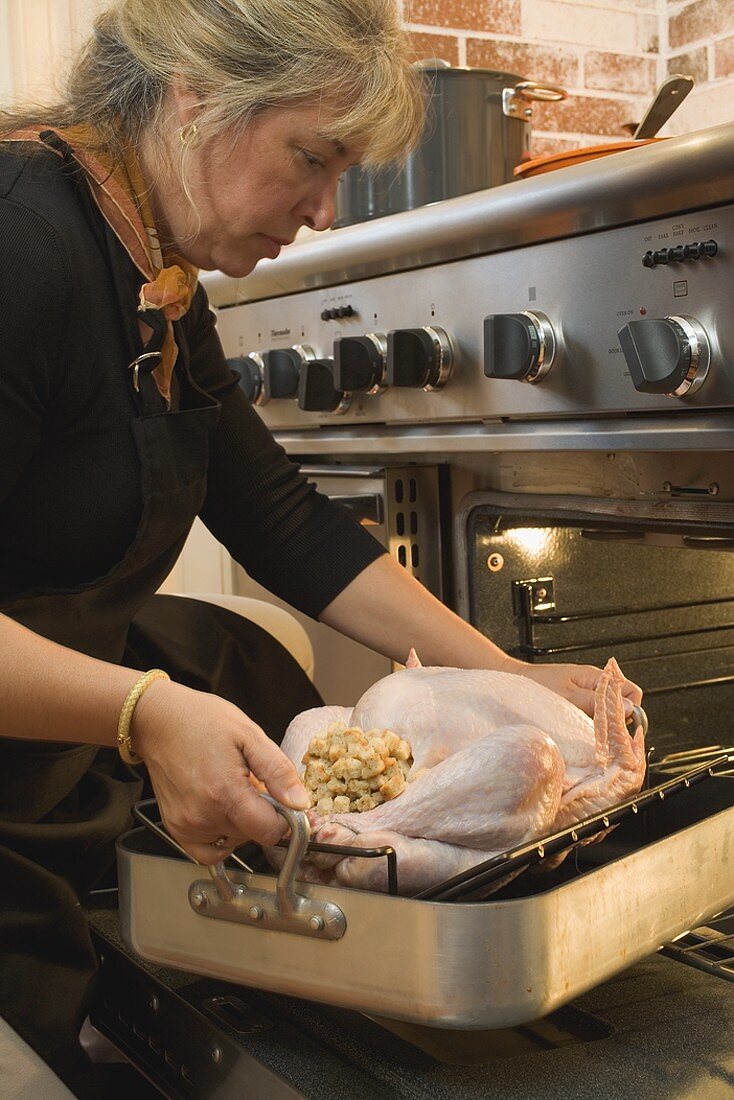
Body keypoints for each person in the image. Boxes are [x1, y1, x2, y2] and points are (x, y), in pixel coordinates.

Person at [0, 0, 643, 1092]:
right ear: (194, 100)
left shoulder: (155, 276)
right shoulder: (21, 241)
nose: (323, 210)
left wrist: (510, 675)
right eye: (312, 156)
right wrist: (141, 710)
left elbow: (286, 521)